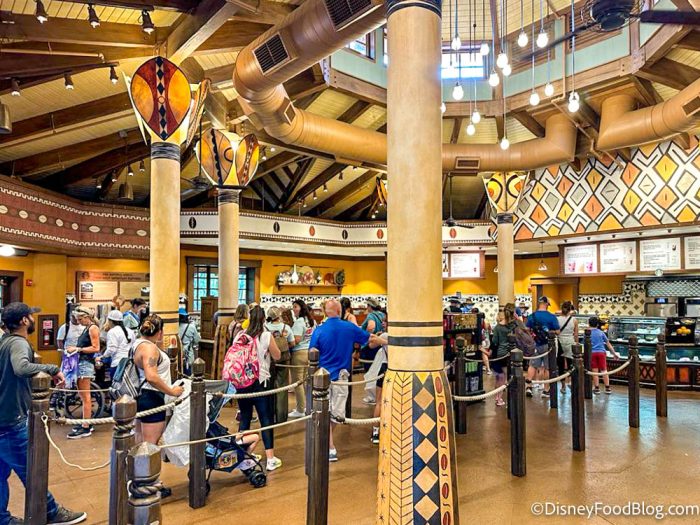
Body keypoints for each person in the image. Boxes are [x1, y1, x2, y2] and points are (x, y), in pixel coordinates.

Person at [0, 302, 87, 525]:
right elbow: (21, 367)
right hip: (11, 420)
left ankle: (2, 518)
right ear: (23, 320)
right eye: (30, 316)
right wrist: (52, 369)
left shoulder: (5, 341)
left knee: (0, 474)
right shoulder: (18, 343)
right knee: (32, 471)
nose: (33, 319)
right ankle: (50, 511)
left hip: (4, 417)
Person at [309, 299, 385, 462]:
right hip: (341, 377)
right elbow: (369, 338)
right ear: (340, 311)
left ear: (326, 312)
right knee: (337, 414)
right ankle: (329, 445)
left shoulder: (319, 330)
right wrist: (388, 342)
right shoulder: (349, 327)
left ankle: (326, 442)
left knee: (326, 412)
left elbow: (313, 350)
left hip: (322, 377)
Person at [132, 314, 184, 498]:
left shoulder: (137, 344)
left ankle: (139, 480)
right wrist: (172, 391)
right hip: (152, 397)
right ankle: (149, 484)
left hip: (140, 396)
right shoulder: (150, 349)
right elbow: (151, 376)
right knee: (150, 445)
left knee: (140, 441)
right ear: (160, 332)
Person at [236, 306, 283, 472]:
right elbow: (277, 355)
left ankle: (242, 455)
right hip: (261, 381)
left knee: (245, 417)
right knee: (265, 419)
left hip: (242, 383)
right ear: (263, 319)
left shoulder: (240, 335)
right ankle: (270, 459)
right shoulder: (266, 335)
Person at [64, 305, 101, 439]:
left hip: (85, 364)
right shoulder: (87, 328)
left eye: (80, 319)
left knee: (85, 397)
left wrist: (78, 349)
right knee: (83, 395)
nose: (78, 322)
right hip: (82, 363)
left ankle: (86, 426)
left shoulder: (92, 328)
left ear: (86, 317)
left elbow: (96, 348)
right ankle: (86, 423)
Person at [525, 297, 560, 398]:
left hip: (535, 344)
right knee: (547, 367)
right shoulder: (551, 317)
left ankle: (528, 387)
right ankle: (546, 390)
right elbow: (558, 331)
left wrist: (533, 335)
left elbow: (527, 329)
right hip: (548, 345)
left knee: (532, 365)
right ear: (546, 304)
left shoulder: (532, 316)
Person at [265, 307, 295, 423]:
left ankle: (270, 415)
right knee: (282, 386)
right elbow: (292, 343)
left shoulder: (265, 327)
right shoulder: (286, 327)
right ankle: (281, 416)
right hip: (284, 359)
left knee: (270, 387)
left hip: (270, 360)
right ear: (279, 315)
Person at [289, 300, 316, 418]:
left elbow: (297, 340)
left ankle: (300, 409)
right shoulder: (311, 321)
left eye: (295, 307)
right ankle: (307, 406)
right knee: (305, 382)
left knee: (298, 383)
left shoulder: (299, 322)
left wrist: (287, 341)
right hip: (309, 353)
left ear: (301, 308)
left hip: (299, 353)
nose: (293, 309)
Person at [489, 305, 518, 407]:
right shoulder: (514, 325)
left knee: (499, 377)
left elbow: (494, 342)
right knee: (506, 378)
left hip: (500, 354)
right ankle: (501, 398)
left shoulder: (498, 327)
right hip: (510, 353)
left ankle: (498, 397)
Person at [589, 316, 621, 395]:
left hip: (592, 353)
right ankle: (607, 388)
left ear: (589, 324)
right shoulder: (601, 332)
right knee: (604, 370)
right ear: (597, 324)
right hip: (601, 353)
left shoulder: (587, 333)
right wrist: (614, 354)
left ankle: (597, 388)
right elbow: (608, 344)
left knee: (595, 371)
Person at [100, 310, 134, 380]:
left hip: (118, 364)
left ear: (110, 321)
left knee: (116, 385)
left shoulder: (112, 332)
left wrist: (102, 357)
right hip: (130, 363)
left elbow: (112, 349)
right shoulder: (130, 331)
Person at [557, 301, 579, 394]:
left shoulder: (557, 319)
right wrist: (576, 343)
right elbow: (576, 334)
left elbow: (556, 332)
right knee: (571, 364)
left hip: (560, 342)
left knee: (561, 365)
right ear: (570, 310)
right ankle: (570, 382)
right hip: (570, 342)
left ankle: (563, 386)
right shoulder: (574, 320)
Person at [178, 308, 200, 376]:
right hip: (188, 356)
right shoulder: (191, 327)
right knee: (188, 375)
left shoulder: (174, 327)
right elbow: (197, 340)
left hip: (178, 355)